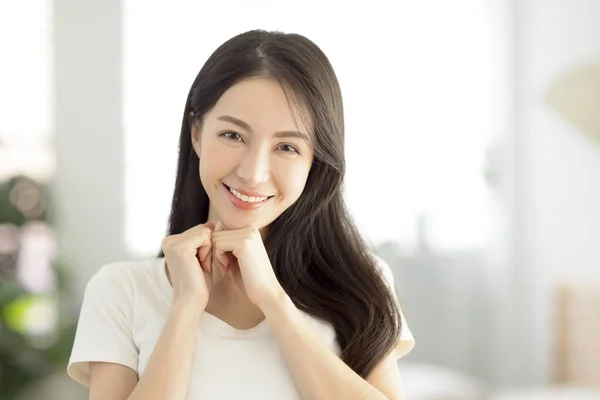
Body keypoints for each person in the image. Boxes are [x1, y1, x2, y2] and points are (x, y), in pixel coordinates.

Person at [67, 29, 415, 400]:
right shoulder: (122, 290)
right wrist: (185, 306)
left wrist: (273, 299)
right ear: (196, 133)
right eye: (233, 135)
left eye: (286, 146)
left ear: (316, 161)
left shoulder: (361, 282)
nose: (253, 172)